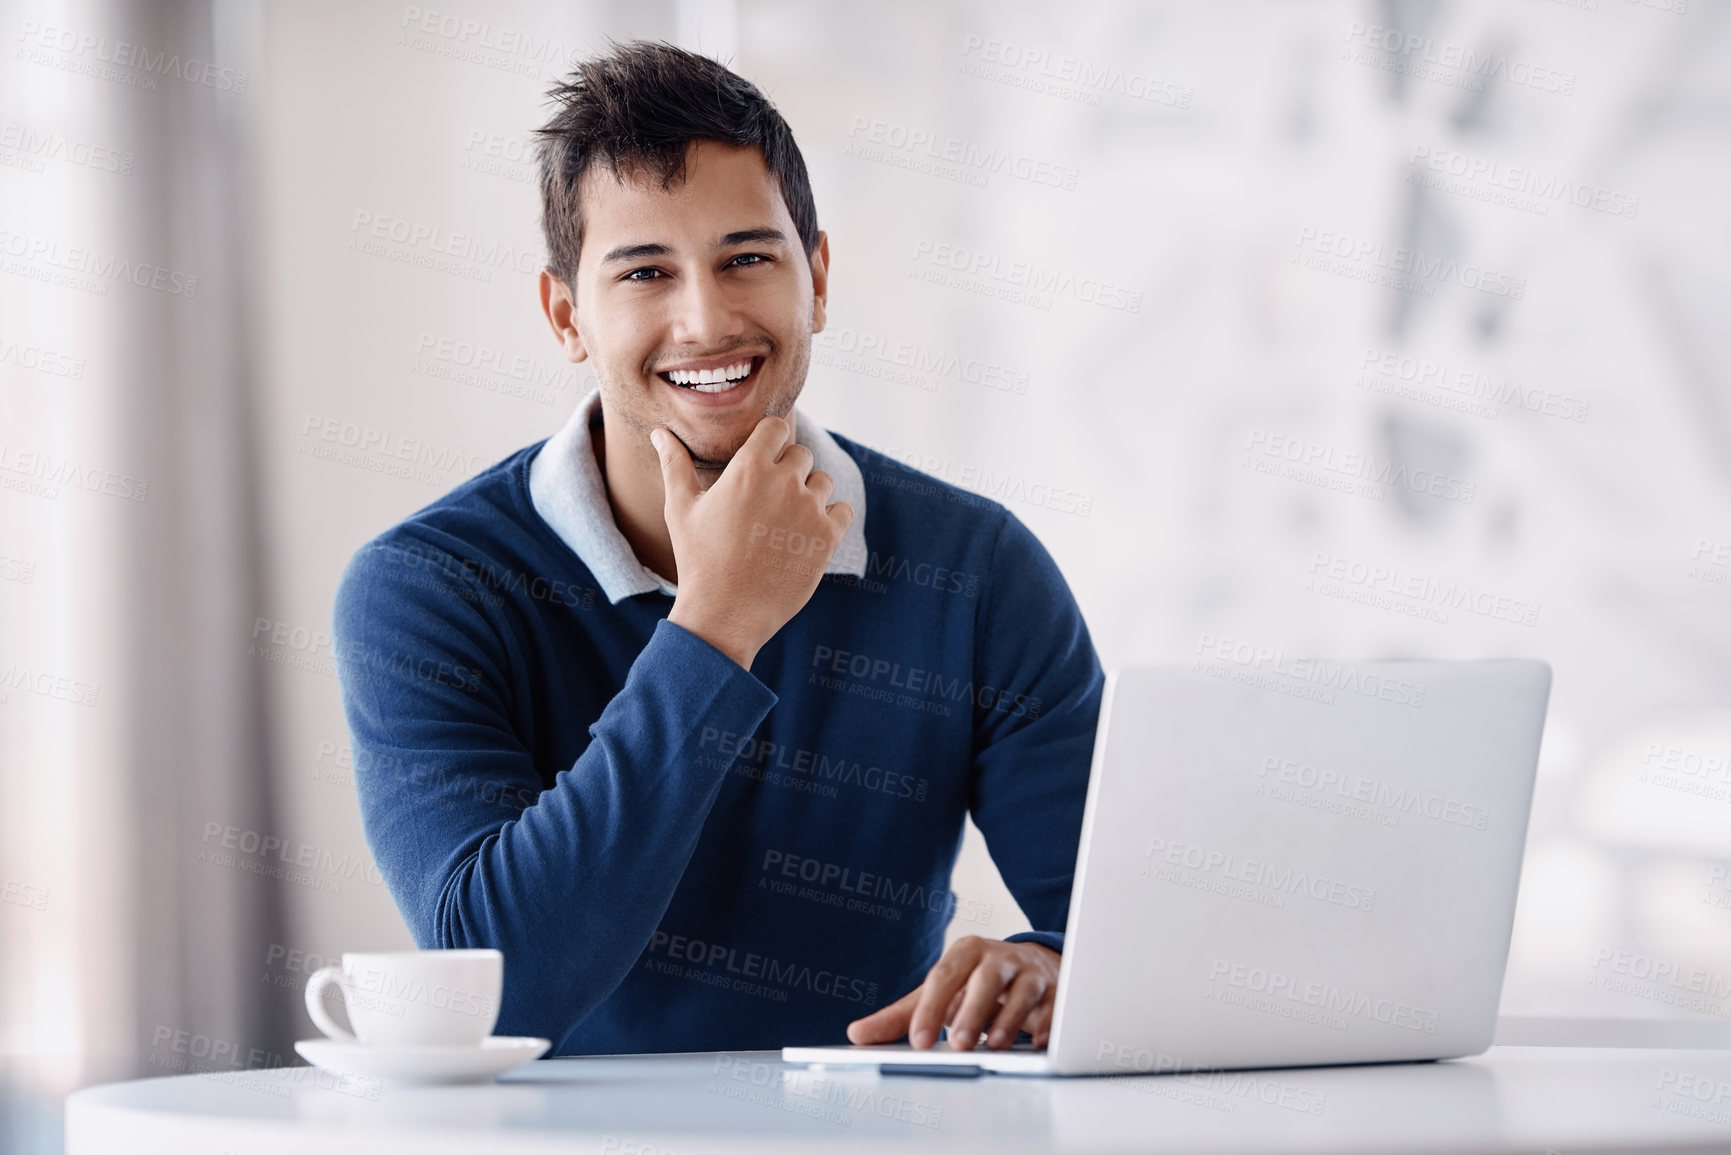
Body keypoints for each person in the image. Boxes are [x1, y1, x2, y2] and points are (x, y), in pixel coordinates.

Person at [332, 40, 1103, 1056]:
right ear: (568, 316)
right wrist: (718, 623)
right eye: (645, 271)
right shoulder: (428, 589)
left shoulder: (976, 567)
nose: (706, 320)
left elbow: (1123, 931)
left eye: (748, 258)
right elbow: (504, 985)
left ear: (816, 280)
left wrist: (1049, 964)